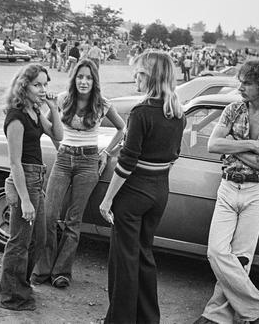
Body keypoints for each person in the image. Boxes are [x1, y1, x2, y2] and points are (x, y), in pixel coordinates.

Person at [194, 60, 259, 324]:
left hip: (257, 192)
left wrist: (233, 146)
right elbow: (214, 145)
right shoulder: (233, 109)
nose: (241, 87)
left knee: (241, 258)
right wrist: (249, 145)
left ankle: (215, 316)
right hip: (228, 186)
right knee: (215, 251)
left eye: (247, 83)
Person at [99, 51, 186, 324]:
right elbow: (174, 156)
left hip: (134, 193)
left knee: (124, 260)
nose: (134, 77)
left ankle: (119, 320)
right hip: (160, 191)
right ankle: (148, 319)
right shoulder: (177, 113)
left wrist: (107, 199)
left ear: (148, 76)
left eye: (138, 72)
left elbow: (126, 163)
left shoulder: (141, 112)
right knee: (145, 256)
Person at [32, 59, 125, 289]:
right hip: (63, 159)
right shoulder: (63, 98)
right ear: (74, 78)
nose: (84, 81)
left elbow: (122, 128)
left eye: (89, 78)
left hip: (88, 162)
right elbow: (49, 126)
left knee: (74, 220)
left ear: (95, 81)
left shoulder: (102, 103)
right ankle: (43, 269)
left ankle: (61, 272)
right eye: (80, 77)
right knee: (50, 215)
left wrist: (106, 152)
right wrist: (58, 145)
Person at [0, 64, 63, 311]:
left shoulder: (34, 110)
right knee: (19, 242)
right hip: (24, 178)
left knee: (40, 237)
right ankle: (12, 296)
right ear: (24, 86)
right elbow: (14, 162)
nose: (43, 89)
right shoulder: (16, 117)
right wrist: (24, 200)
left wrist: (53, 108)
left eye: (45, 84)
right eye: (37, 84)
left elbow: (58, 134)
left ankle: (21, 284)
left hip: (37, 178)